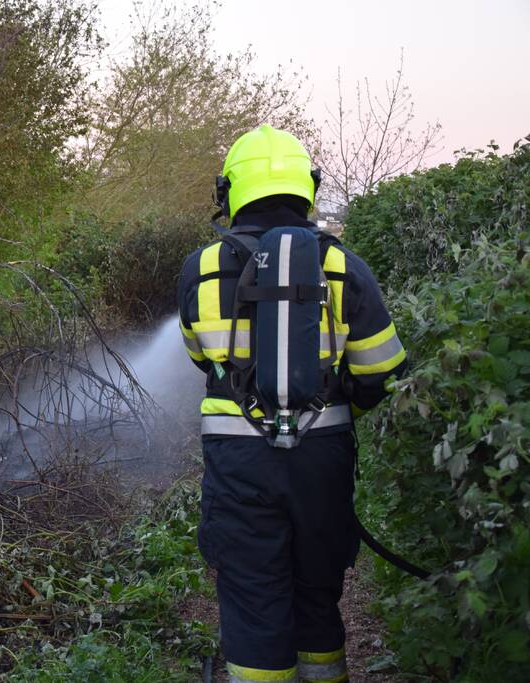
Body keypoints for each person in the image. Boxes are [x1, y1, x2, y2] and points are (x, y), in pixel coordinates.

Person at [176, 124, 407, 683]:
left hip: (239, 465)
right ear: (310, 186)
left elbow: (199, 358)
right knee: (318, 591)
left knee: (254, 591)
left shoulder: (201, 269)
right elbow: (384, 371)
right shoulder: (341, 265)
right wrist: (333, 401)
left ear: (229, 191)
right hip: (322, 456)